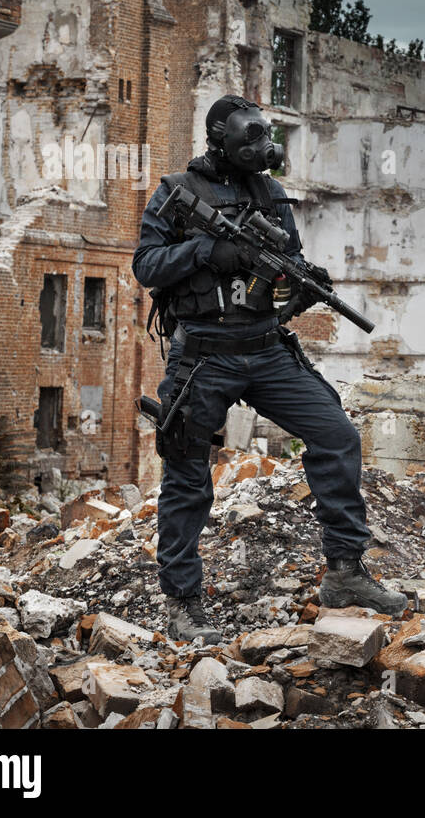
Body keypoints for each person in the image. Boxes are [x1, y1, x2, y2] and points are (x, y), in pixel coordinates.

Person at [132, 94, 407, 644]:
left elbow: (291, 264)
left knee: (336, 436)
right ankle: (183, 602)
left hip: (264, 348)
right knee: (188, 476)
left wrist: (305, 283)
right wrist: (206, 253)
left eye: (265, 137)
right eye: (249, 140)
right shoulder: (178, 192)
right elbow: (146, 266)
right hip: (203, 356)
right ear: (219, 141)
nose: (263, 148)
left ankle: (345, 573)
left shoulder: (273, 194)